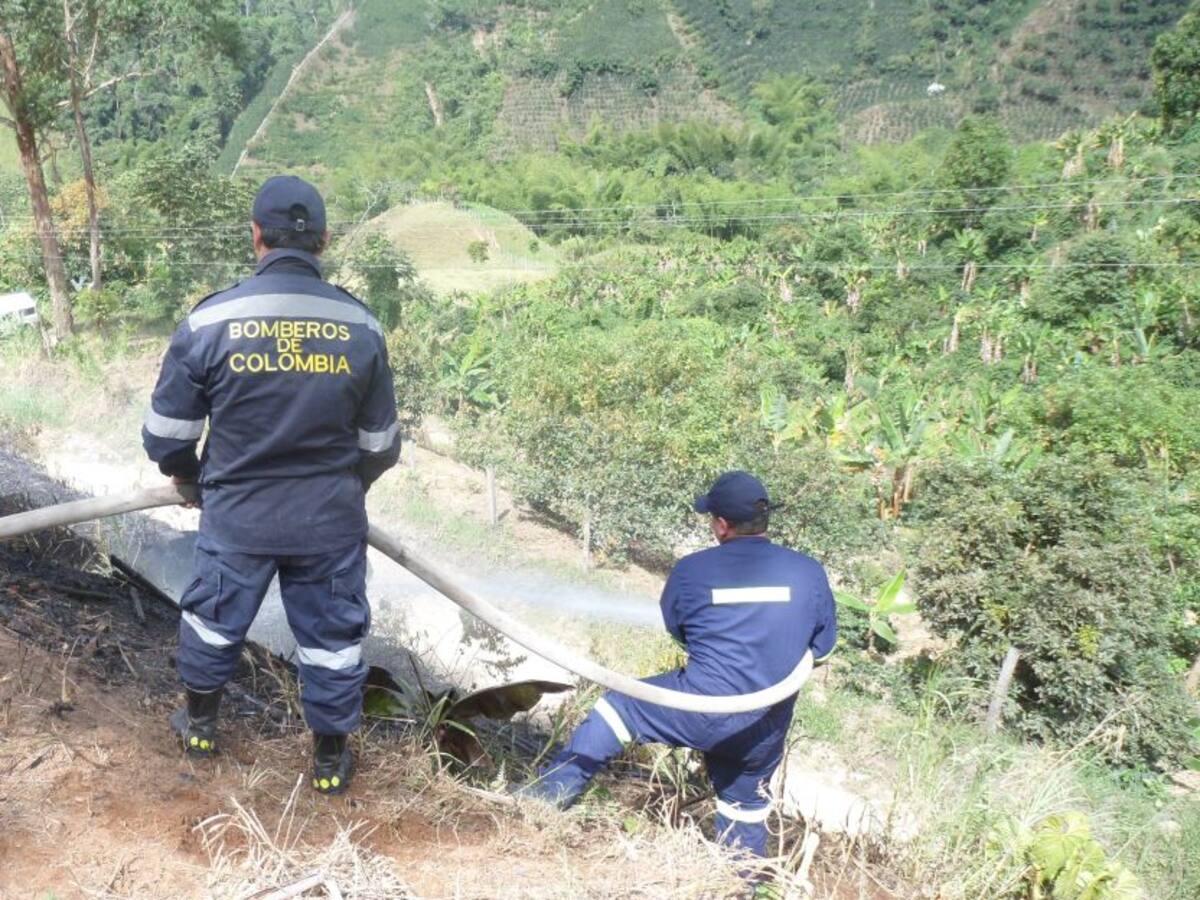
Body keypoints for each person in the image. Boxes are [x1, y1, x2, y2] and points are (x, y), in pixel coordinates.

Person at [142, 175, 401, 794]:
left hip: (238, 519)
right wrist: (341, 489)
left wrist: (191, 479)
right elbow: (380, 447)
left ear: (255, 236)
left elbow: (166, 434)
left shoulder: (212, 320)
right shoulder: (360, 326)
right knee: (333, 642)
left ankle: (200, 730)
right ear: (324, 240)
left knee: (213, 623)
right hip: (328, 525)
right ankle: (330, 765)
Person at [522, 471, 837, 859]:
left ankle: (545, 799)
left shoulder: (692, 571)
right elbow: (820, 652)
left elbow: (680, 632)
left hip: (698, 708)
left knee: (618, 707)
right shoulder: (809, 573)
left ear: (722, 525)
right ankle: (745, 882)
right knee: (744, 809)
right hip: (762, 729)